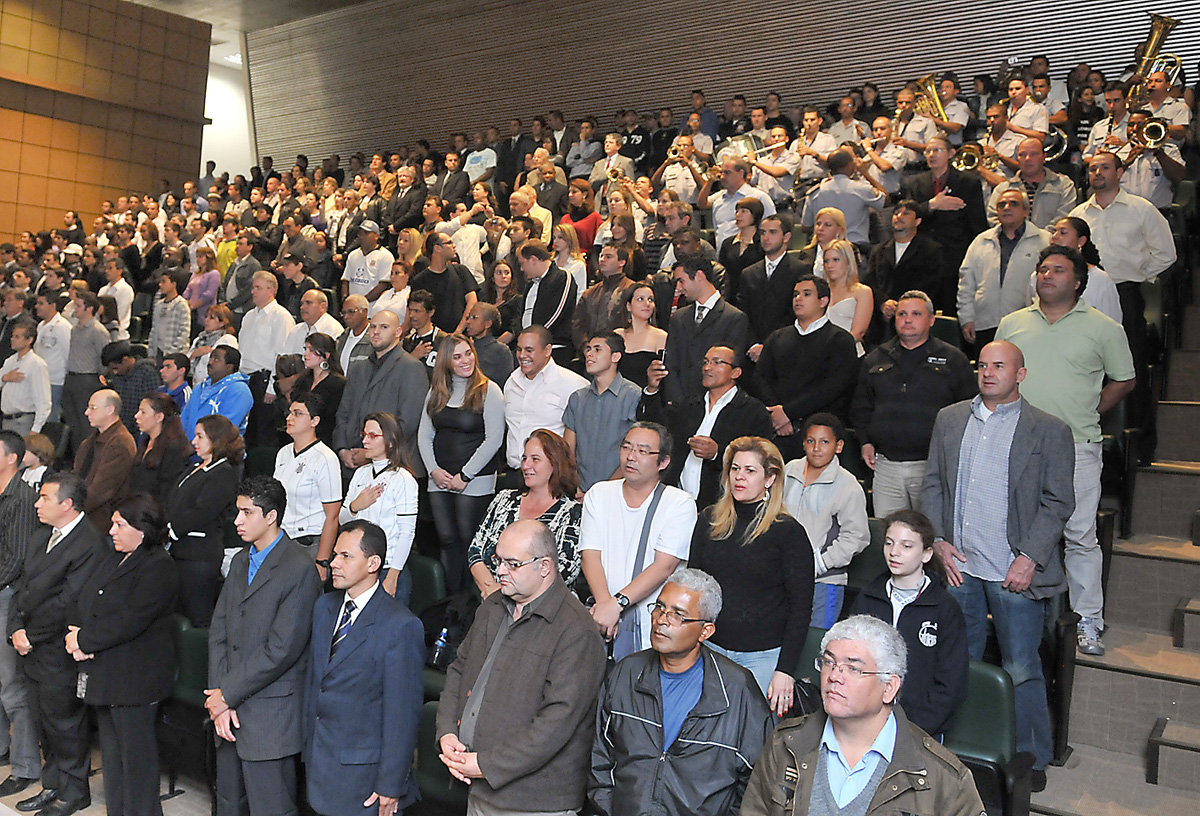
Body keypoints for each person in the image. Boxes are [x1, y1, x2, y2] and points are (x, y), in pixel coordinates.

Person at [923, 341, 1075, 788]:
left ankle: (1031, 760)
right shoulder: (950, 419)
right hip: (960, 568)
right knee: (960, 660)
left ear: (1020, 374)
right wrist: (937, 541)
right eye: (983, 365)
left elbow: (1057, 501)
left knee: (1021, 667)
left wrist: (1030, 557)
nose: (988, 373)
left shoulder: (1049, 430)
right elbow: (932, 483)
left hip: (1015, 571)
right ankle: (965, 747)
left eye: (999, 366)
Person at [998, 244, 1135, 656]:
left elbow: (1124, 380)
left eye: (1057, 270)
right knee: (1013, 532)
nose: (1047, 275)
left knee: (1079, 535)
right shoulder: (1011, 323)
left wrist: (1089, 409)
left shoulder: (1104, 327)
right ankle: (1016, 615)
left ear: (1077, 282)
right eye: (1042, 269)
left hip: (1077, 445)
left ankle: (1088, 620)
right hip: (1015, 443)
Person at [435, 519, 607, 815]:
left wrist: (485, 764)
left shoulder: (577, 630)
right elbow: (459, 669)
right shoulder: (492, 607)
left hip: (534, 803)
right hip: (477, 789)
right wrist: (447, 732)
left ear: (544, 567)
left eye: (512, 564)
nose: (499, 571)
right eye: (498, 560)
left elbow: (556, 722)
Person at [739, 615, 987, 816]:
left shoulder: (943, 778)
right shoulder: (785, 745)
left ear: (888, 687)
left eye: (853, 668)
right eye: (829, 663)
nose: (834, 676)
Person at [589, 568, 773, 816]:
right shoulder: (627, 673)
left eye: (678, 615)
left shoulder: (737, 690)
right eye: (659, 608)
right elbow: (599, 758)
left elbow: (756, 784)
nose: (662, 620)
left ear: (705, 631)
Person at [207, 476, 322, 816]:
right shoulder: (241, 560)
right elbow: (219, 631)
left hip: (270, 716)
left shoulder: (300, 568)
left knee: (270, 808)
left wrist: (226, 694)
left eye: (246, 513)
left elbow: (281, 650)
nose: (237, 521)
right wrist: (219, 699)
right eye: (237, 512)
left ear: (271, 517)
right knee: (228, 804)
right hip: (227, 713)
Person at [68, 493, 179, 816]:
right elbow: (85, 597)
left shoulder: (159, 566)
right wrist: (75, 632)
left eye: (119, 524)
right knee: (114, 762)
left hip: (136, 679)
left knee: (137, 763)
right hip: (107, 673)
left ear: (141, 529)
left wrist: (84, 640)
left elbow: (130, 620)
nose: (112, 530)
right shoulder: (113, 556)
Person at [303, 520, 423, 816]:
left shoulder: (400, 625)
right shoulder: (325, 608)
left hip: (365, 777)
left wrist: (391, 784)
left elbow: (402, 714)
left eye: (346, 556)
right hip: (319, 761)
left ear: (373, 563)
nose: (334, 563)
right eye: (334, 555)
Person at [687, 436, 812, 709]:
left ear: (770, 478)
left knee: (756, 744)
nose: (739, 477)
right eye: (734, 468)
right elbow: (693, 587)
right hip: (711, 649)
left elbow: (800, 608)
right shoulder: (709, 520)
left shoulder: (788, 532)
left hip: (764, 657)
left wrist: (785, 670)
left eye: (750, 470)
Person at [8, 473, 102, 816]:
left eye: (44, 498)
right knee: (43, 722)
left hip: (57, 648)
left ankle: (75, 791)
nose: (37, 503)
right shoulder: (40, 537)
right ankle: (53, 785)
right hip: (30, 644)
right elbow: (22, 587)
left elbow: (68, 602)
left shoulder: (90, 542)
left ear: (67, 504)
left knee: (66, 724)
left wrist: (30, 635)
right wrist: (16, 627)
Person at [851, 291, 975, 517]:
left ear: (931, 320)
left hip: (933, 466)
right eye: (902, 314)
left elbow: (969, 410)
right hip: (886, 465)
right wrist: (865, 441)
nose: (907, 320)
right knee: (888, 535)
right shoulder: (876, 358)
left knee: (931, 536)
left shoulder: (953, 360)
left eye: (916, 314)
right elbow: (862, 406)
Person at [581, 422, 698, 659]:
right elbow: (590, 554)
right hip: (601, 615)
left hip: (650, 622)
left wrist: (617, 604)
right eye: (627, 447)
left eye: (643, 451)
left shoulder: (679, 503)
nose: (631, 457)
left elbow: (664, 565)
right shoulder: (599, 493)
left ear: (663, 462)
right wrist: (605, 606)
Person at [851, 509, 970, 738]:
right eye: (889, 543)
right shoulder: (868, 597)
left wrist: (914, 728)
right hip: (866, 720)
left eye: (907, 546)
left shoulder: (944, 609)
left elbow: (951, 684)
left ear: (926, 554)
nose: (894, 553)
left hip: (921, 727)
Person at [418, 334, 505, 594]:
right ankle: (450, 601)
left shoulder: (489, 390)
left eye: (468, 353)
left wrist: (464, 476)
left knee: (470, 542)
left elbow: (494, 439)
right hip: (440, 478)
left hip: (475, 480)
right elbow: (424, 434)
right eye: (457, 356)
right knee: (446, 540)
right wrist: (433, 470)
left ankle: (471, 604)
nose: (466, 360)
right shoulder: (436, 392)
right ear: (446, 361)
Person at [755, 275, 858, 461]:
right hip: (777, 431)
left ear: (823, 301)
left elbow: (833, 387)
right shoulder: (777, 337)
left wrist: (788, 412)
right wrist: (776, 414)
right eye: (795, 294)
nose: (798, 299)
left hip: (819, 435)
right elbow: (761, 377)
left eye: (806, 294)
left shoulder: (840, 340)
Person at [469, 430, 583, 598]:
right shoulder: (504, 499)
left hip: (546, 609)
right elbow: (475, 550)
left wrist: (507, 592)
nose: (525, 466)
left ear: (555, 464)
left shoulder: (573, 514)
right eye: (524, 458)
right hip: (491, 600)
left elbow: (565, 571)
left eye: (535, 459)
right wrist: (492, 589)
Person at [781, 414, 869, 628]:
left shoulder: (848, 486)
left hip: (824, 582)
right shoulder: (789, 470)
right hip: (783, 575)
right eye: (811, 441)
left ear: (839, 446)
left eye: (825, 442)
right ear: (803, 443)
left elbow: (856, 537)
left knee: (815, 641)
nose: (816, 448)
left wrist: (820, 563)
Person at [166, 414, 243, 628]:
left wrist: (171, 530)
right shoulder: (193, 469)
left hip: (199, 557)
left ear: (216, 439)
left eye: (200, 436)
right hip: (180, 552)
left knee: (199, 616)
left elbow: (202, 511)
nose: (194, 441)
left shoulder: (224, 473)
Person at [333, 309, 429, 476]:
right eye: (372, 327)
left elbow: (408, 422)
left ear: (398, 332)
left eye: (384, 327)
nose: (376, 332)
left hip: (395, 467)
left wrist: (370, 454)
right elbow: (343, 413)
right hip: (352, 465)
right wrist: (342, 450)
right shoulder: (358, 368)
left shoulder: (411, 367)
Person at [339, 412, 419, 605]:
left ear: (390, 441)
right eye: (364, 434)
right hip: (359, 566)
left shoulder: (403, 479)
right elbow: (342, 521)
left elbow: (406, 533)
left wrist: (392, 576)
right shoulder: (360, 474)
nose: (365, 441)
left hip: (388, 567)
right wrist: (355, 506)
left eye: (372, 436)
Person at [0, 431, 41, 800]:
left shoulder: (22, 500)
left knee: (13, 686)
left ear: (12, 457)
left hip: (7, 596)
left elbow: (15, 560)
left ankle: (26, 764)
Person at [956, 188, 1046, 354]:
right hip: (985, 324)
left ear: (1026, 211)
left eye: (1014, 204)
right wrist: (966, 318)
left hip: (1026, 324)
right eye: (1001, 205)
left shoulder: (1043, 241)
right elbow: (966, 284)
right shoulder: (981, 241)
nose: (1006, 207)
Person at [661, 253, 749, 407]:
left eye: (681, 281)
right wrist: (675, 399)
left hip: (714, 404)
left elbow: (730, 367)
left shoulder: (734, 318)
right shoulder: (679, 317)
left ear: (699, 276)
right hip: (679, 405)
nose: (679, 288)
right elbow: (671, 362)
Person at [563, 332, 641, 493]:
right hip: (579, 490)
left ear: (615, 357)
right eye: (588, 349)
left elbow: (636, 452)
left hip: (620, 491)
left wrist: (604, 493)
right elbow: (568, 448)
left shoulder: (634, 395)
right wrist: (574, 485)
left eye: (597, 350)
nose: (589, 354)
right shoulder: (577, 398)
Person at [274, 392, 342, 573]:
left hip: (308, 543)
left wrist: (322, 561)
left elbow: (333, 515)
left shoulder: (325, 458)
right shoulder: (283, 453)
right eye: (289, 413)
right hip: (281, 539)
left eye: (298, 413)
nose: (289, 418)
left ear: (314, 421)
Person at [502, 325, 588, 469]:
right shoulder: (511, 382)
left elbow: (585, 439)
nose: (522, 355)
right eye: (519, 349)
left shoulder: (574, 384)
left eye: (529, 350)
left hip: (552, 476)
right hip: (514, 471)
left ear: (548, 350)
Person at [901, 135, 987, 273]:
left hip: (956, 253)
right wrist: (931, 205)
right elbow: (907, 214)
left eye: (937, 150)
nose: (931, 155)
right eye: (928, 151)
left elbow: (977, 222)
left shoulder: (968, 182)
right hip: (924, 253)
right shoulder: (915, 182)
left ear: (951, 153)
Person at [863, 201, 953, 327]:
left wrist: (903, 305)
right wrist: (883, 302)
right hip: (881, 322)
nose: (899, 216)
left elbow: (933, 285)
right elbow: (869, 282)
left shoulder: (932, 250)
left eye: (906, 213)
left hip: (915, 319)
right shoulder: (878, 250)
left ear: (918, 221)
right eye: (896, 213)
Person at [736, 214, 804, 363]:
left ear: (786, 237)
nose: (766, 238)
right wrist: (753, 344)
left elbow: (795, 313)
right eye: (762, 232)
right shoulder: (749, 273)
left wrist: (768, 346)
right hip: (751, 352)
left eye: (772, 232)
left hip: (786, 350)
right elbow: (742, 313)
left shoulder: (800, 270)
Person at [74, 389, 137, 532]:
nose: (86, 412)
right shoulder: (90, 442)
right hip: (85, 516)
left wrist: (71, 509)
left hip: (101, 522)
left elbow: (100, 491)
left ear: (110, 410)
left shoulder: (120, 443)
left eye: (92, 408)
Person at [984, 137, 1077, 228]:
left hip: (1052, 241)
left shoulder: (1064, 185)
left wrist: (1041, 238)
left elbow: (1065, 217)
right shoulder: (1003, 189)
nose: (1028, 158)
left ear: (1044, 157)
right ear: (1017, 159)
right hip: (1012, 242)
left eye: (1034, 154)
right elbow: (994, 218)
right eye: (1022, 155)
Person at [1043, 217, 1121, 323]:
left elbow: (1112, 323)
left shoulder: (1100, 279)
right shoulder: (1040, 276)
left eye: (1063, 233)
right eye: (1054, 232)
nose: (1055, 237)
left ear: (1081, 241)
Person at [62, 291, 110, 452]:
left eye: (78, 305)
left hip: (87, 380)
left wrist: (101, 376)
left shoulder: (98, 330)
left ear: (89, 308)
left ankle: (89, 459)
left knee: (86, 425)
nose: (74, 309)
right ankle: (78, 458)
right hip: (71, 377)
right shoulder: (75, 329)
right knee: (73, 423)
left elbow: (105, 357)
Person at [130, 392, 193, 505]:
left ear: (159, 417)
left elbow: (167, 493)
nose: (136, 416)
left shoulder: (171, 449)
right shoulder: (145, 443)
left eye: (143, 412)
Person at [181, 345, 253, 439]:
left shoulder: (239, 391)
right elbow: (185, 417)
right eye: (210, 357)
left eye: (216, 359)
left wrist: (195, 446)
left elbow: (226, 429)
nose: (210, 362)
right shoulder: (200, 387)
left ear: (229, 367)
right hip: (193, 447)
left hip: (220, 451)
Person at [290, 333, 345, 448]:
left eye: (311, 350)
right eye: (305, 349)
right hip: (299, 440)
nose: (306, 354)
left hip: (325, 442)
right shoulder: (303, 381)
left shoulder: (338, 384)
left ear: (326, 355)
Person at [822, 239, 873, 356]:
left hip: (849, 354)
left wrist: (833, 350)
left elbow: (858, 332)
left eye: (836, 260)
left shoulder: (862, 292)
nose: (830, 265)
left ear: (848, 261)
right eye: (826, 261)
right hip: (820, 355)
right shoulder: (821, 290)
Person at [0, 321, 51, 436]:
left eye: (17, 337)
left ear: (29, 340)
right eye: (12, 336)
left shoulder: (37, 364)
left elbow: (43, 400)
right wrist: (5, 378)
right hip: (6, 420)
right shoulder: (9, 361)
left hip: (24, 421)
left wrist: (36, 429)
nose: (12, 339)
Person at [614, 282, 666, 390]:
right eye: (640, 299)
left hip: (647, 397)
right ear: (629, 306)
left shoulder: (661, 336)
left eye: (650, 299)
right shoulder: (617, 335)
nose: (647, 303)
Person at [463, 302, 514, 387]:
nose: (468, 321)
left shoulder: (501, 351)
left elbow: (506, 384)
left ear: (488, 324)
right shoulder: (465, 348)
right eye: (468, 318)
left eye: (474, 318)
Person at [189, 303, 239, 389]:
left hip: (218, 387)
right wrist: (195, 354)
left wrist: (213, 353)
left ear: (222, 323)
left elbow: (231, 366)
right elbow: (186, 364)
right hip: (197, 386)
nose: (206, 320)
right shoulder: (199, 339)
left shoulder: (227, 339)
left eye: (211, 318)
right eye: (206, 317)